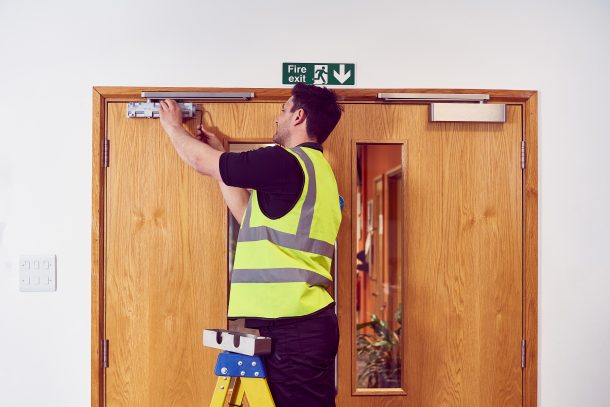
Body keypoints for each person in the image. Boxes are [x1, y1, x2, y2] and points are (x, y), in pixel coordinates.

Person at [158, 83, 342, 407]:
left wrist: (173, 127)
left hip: (294, 328)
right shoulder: (319, 173)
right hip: (300, 325)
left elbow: (201, 161)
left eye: (283, 110)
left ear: (298, 116)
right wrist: (221, 162)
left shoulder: (284, 162)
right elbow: (248, 216)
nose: (277, 118)